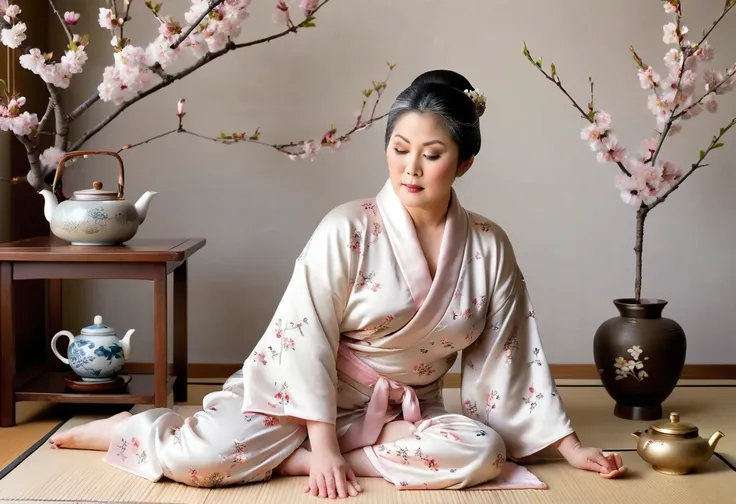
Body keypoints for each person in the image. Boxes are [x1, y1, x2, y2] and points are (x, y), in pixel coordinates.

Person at [49, 69, 627, 498]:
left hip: (408, 412)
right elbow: (302, 338)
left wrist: (568, 446)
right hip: (298, 401)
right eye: (400, 150)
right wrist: (322, 445)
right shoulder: (348, 227)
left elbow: (510, 357)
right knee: (203, 462)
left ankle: (308, 457)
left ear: (465, 162)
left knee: (483, 453)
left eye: (432, 154)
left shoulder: (487, 245)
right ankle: (139, 428)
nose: (410, 169)